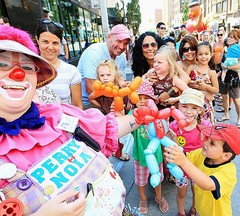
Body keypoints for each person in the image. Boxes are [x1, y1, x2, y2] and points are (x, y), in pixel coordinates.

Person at [0, 25, 140, 215]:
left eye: (26, 67)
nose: (18, 74)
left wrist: (141, 117)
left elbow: (107, 128)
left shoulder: (56, 113)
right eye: (3, 64)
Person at [165, 123, 240, 216]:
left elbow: (208, 184)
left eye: (212, 143)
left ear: (226, 155)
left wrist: (184, 162)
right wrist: (173, 143)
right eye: (207, 138)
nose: (205, 142)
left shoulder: (228, 171)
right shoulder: (201, 155)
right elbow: (185, 157)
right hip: (201, 210)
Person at [168, 88, 211, 216]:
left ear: (200, 110)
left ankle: (194, 208)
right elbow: (170, 147)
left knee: (196, 191)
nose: (188, 111)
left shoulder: (205, 126)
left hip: (198, 166)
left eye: (194, 108)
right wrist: (172, 139)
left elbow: (210, 147)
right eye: (184, 106)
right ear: (178, 106)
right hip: (180, 168)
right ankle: (181, 212)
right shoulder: (174, 126)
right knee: (181, 192)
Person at [131, 81, 169, 215]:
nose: (142, 101)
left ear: (153, 100)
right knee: (141, 181)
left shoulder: (156, 116)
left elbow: (164, 132)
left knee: (157, 177)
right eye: (139, 98)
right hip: (140, 156)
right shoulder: (133, 115)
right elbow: (124, 126)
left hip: (156, 155)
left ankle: (159, 197)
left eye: (146, 98)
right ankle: (143, 199)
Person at [77, 24, 131, 109]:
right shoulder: (94, 52)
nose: (122, 47)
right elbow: (90, 88)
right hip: (90, 103)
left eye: (125, 43)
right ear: (109, 37)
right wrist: (113, 105)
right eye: (119, 41)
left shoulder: (122, 57)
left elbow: (120, 81)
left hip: (111, 99)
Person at [88, 59, 130, 161]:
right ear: (98, 77)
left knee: (116, 136)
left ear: (114, 75)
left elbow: (127, 95)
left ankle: (118, 152)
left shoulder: (119, 87)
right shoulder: (99, 90)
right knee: (105, 137)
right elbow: (90, 98)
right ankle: (106, 156)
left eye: (108, 75)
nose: (105, 78)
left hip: (118, 115)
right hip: (106, 116)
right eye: (102, 76)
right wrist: (101, 105)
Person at [36, 19, 83, 109]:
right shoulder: (28, 69)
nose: (50, 47)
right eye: (45, 42)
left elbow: (77, 106)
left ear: (60, 44)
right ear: (38, 40)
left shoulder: (71, 71)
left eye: (55, 43)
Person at [217, 29, 240, 129]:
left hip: (234, 78)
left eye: (232, 37)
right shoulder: (225, 50)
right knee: (224, 96)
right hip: (224, 77)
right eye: (229, 36)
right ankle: (226, 114)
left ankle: (239, 119)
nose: (229, 39)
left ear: (237, 39)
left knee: (236, 99)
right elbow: (220, 64)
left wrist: (228, 67)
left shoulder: (239, 50)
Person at [186, 41, 219, 124]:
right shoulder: (192, 68)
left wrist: (205, 86)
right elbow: (184, 82)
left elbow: (216, 90)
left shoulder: (211, 72)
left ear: (211, 54)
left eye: (206, 54)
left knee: (206, 127)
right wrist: (194, 84)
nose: (203, 57)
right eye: (200, 54)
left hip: (206, 106)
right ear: (196, 56)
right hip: (192, 104)